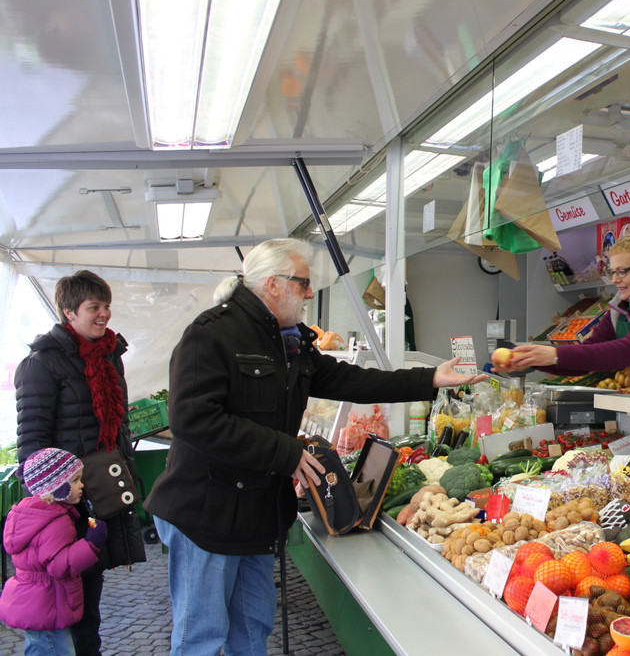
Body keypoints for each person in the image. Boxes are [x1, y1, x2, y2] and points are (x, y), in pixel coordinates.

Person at [144, 238, 487, 656]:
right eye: (304, 283)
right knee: (202, 638)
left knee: (251, 634)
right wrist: (286, 453)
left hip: (254, 518)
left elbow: (353, 381)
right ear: (273, 284)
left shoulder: (288, 342)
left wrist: (430, 378)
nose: (310, 294)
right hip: (206, 515)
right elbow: (194, 420)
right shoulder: (211, 335)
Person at [14, 270, 146, 655]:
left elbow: (118, 429)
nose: (104, 314)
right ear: (70, 312)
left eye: (106, 306)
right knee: (63, 603)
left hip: (97, 497)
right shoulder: (41, 364)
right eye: (94, 307)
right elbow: (32, 445)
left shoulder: (109, 357)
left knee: (89, 597)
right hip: (63, 503)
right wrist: (55, 500)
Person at [499, 233, 630, 390]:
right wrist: (534, 360)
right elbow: (589, 355)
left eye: (622, 272)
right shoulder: (620, 308)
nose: (614, 280)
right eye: (612, 272)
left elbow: (629, 349)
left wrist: (555, 354)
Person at [0, 448, 108, 656]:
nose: (81, 485)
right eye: (75, 480)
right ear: (57, 488)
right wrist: (91, 543)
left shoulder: (31, 513)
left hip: (36, 605)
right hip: (48, 606)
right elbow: (59, 566)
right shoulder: (56, 521)